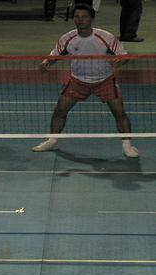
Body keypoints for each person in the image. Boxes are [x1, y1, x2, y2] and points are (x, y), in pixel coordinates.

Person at [32, 3, 139, 158]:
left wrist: (119, 62)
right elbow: (55, 55)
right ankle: (53, 140)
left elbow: (124, 56)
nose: (80, 20)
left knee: (119, 112)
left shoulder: (105, 37)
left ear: (92, 19)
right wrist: (45, 63)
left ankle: (127, 145)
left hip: (105, 79)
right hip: (78, 80)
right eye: (77, 17)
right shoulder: (68, 38)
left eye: (84, 17)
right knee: (60, 110)